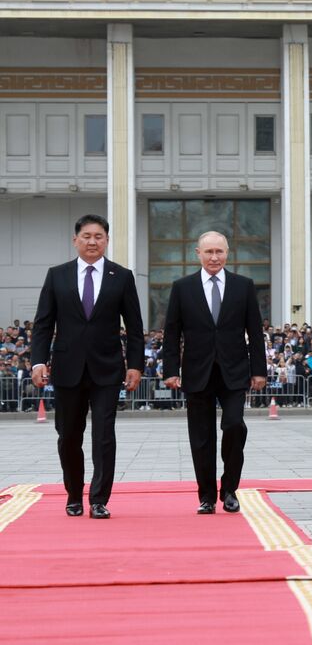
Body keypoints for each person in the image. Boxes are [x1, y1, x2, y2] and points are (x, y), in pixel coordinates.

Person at [29, 214, 145, 519]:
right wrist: (38, 361)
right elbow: (43, 324)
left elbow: (134, 327)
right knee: (68, 435)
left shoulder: (121, 276)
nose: (92, 241)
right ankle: (73, 494)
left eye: (99, 236)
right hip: (67, 368)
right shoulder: (58, 275)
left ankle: (98, 499)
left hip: (107, 368)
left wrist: (135, 365)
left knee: (104, 434)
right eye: (86, 236)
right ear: (75, 240)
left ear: (106, 240)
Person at [161, 231, 267, 514]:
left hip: (234, 371)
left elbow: (255, 332)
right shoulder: (182, 287)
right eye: (208, 252)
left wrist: (259, 370)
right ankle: (206, 495)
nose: (214, 257)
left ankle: (229, 487)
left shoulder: (243, 286)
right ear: (198, 253)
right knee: (201, 436)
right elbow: (172, 332)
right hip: (197, 372)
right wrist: (170, 369)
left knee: (234, 426)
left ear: (227, 253)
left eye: (219, 251)